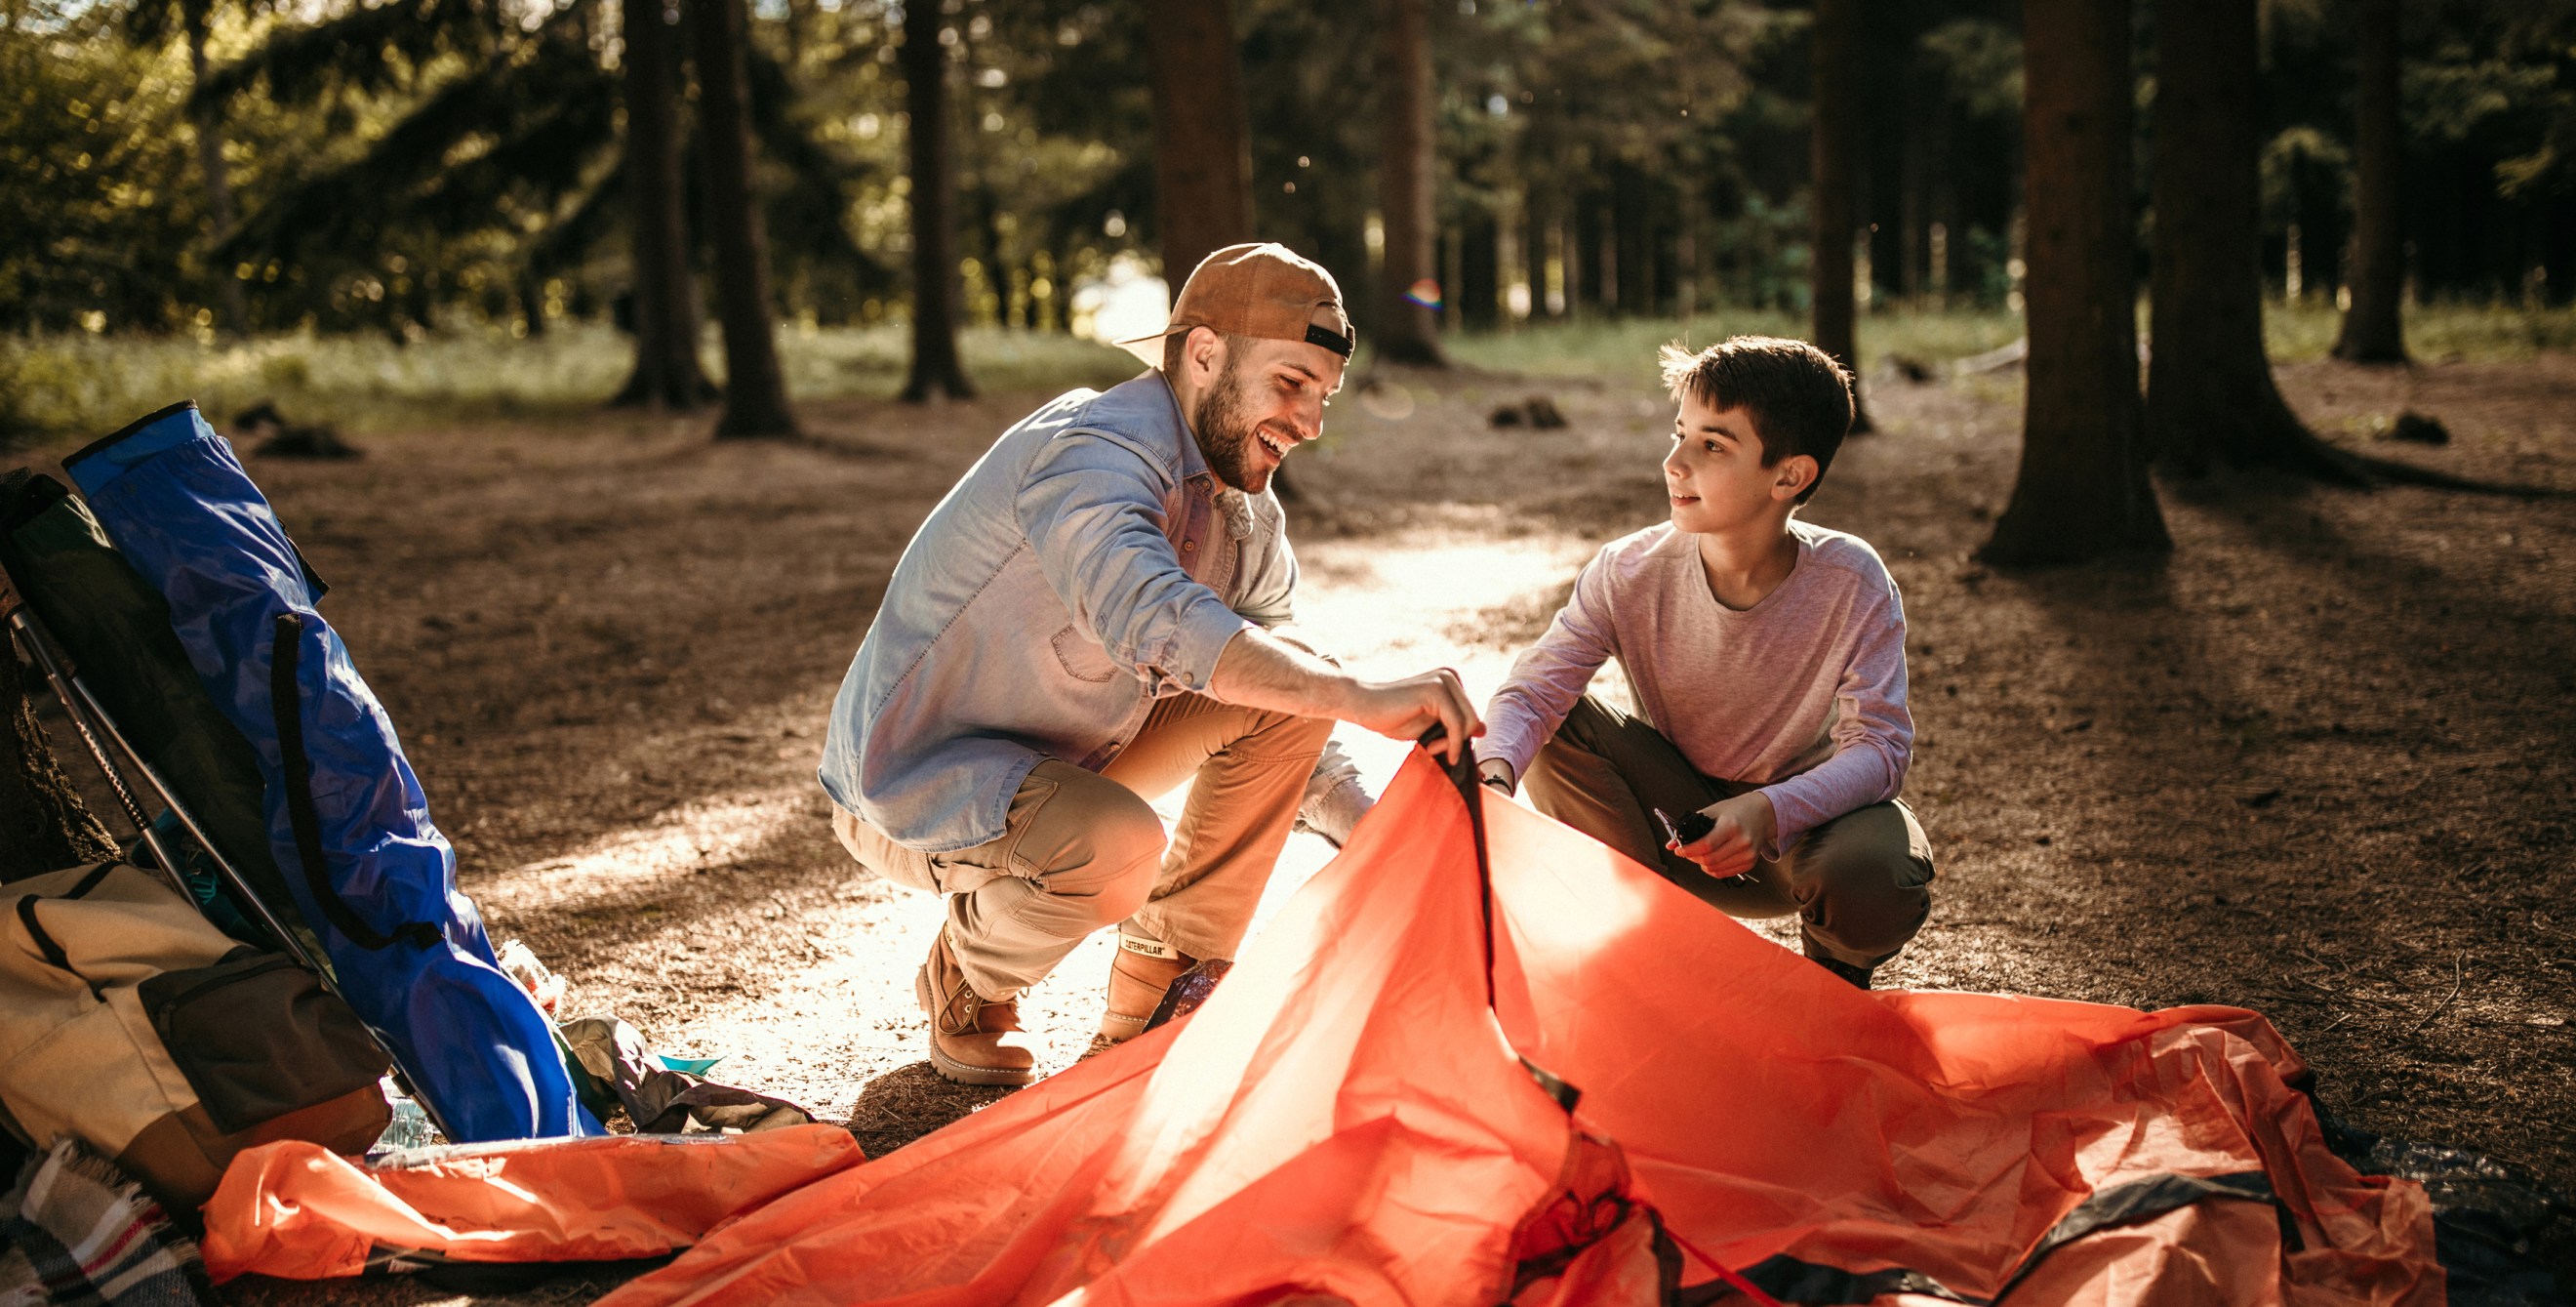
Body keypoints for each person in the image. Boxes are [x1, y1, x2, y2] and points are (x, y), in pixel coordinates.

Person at [820, 243, 1480, 1085]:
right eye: (1290, 384)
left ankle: (1156, 1007)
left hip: (1068, 760)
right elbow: (1151, 614)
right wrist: (1358, 695)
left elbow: (1287, 691)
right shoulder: (1088, 455)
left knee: (1291, 682)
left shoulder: (1245, 513)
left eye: (1323, 395)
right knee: (1121, 846)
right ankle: (966, 975)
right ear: (1204, 355)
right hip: (914, 784)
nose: (1312, 424)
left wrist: (1379, 832)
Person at [1476, 337, 1933, 989]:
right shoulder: (1627, 570)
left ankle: (1835, 990)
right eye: (1679, 433)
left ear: (1789, 476)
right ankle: (1638, 947)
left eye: (1712, 445)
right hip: (1675, 829)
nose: (1674, 462)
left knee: (1873, 873)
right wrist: (1493, 775)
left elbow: (1882, 747)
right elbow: (1533, 691)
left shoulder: (1852, 579)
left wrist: (1771, 810)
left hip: (1805, 836)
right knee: (1556, 724)